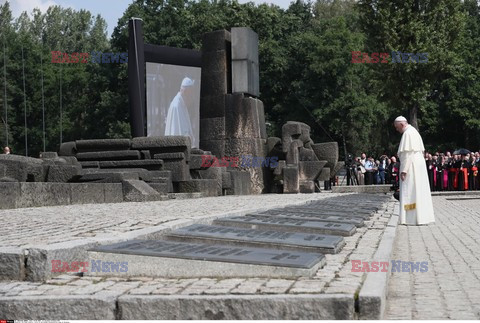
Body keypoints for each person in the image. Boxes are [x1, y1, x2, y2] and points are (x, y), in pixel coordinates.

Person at [394, 116, 435, 225]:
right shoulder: (414, 132)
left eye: (397, 127)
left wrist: (404, 170)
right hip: (418, 164)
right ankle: (421, 217)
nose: (396, 130)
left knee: (410, 191)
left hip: (411, 166)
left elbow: (408, 154)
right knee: (419, 191)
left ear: (402, 124)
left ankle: (410, 218)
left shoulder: (407, 134)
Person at [165, 77, 196, 147]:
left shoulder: (182, 103)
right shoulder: (176, 106)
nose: (192, 97)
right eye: (191, 94)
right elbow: (179, 132)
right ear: (185, 92)